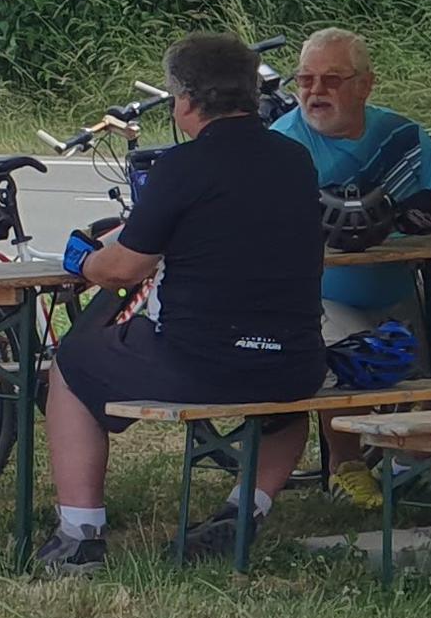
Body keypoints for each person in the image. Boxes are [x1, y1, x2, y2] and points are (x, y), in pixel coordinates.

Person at [40, 31, 328, 572]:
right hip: (294, 362)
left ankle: (80, 536)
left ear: (186, 101)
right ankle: (245, 511)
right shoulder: (295, 161)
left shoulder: (181, 166)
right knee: (285, 406)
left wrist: (81, 260)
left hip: (199, 363)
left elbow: (123, 269)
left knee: (71, 369)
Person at [274, 28, 431, 503]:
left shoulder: (402, 136)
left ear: (365, 85)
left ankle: (410, 456)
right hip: (320, 300)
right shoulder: (280, 147)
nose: (315, 92)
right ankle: (345, 467)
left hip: (403, 298)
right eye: (305, 80)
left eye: (331, 80)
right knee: (337, 363)